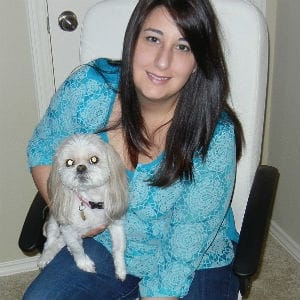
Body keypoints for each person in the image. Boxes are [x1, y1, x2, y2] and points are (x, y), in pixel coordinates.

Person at [23, 0, 243, 299]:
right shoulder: (88, 89)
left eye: (183, 47)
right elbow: (42, 149)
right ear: (132, 41)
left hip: (194, 259)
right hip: (105, 241)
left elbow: (184, 251)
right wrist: (68, 212)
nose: (162, 61)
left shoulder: (215, 135)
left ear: (197, 62)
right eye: (153, 39)